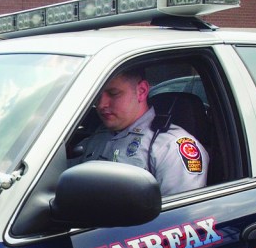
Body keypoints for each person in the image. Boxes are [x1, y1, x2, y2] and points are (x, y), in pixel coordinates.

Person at [75, 69, 208, 196]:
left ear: (141, 91)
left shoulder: (169, 148)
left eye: (113, 93)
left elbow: (179, 215)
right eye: (97, 95)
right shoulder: (97, 136)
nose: (101, 104)